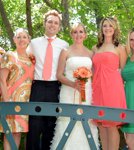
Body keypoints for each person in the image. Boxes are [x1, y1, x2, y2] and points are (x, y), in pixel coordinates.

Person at [50, 22, 100, 150]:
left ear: (85, 35)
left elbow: (94, 76)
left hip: (86, 93)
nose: (78, 34)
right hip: (68, 91)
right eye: (75, 32)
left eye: (81, 32)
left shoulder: (90, 53)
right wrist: (73, 84)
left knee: (86, 120)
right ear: (71, 34)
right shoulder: (65, 51)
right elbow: (59, 75)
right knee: (67, 120)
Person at [26, 10, 69, 150]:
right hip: (37, 86)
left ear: (59, 27)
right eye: (50, 21)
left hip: (54, 87)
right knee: (34, 125)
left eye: (56, 23)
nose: (52, 25)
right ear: (45, 23)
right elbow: (24, 62)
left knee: (50, 125)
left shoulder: (64, 45)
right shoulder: (33, 43)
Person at [92, 17, 127, 150]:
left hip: (113, 89)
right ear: (101, 29)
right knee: (101, 125)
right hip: (97, 89)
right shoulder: (95, 48)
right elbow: (92, 70)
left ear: (115, 29)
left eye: (110, 26)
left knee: (112, 125)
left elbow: (123, 72)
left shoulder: (120, 48)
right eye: (105, 26)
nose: (107, 28)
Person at [0, 28, 34, 150]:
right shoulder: (9, 56)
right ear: (14, 39)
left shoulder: (31, 59)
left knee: (18, 132)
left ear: (29, 40)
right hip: (10, 99)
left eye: (24, 37)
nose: (21, 40)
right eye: (18, 37)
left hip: (24, 102)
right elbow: (2, 80)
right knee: (8, 132)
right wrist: (6, 102)